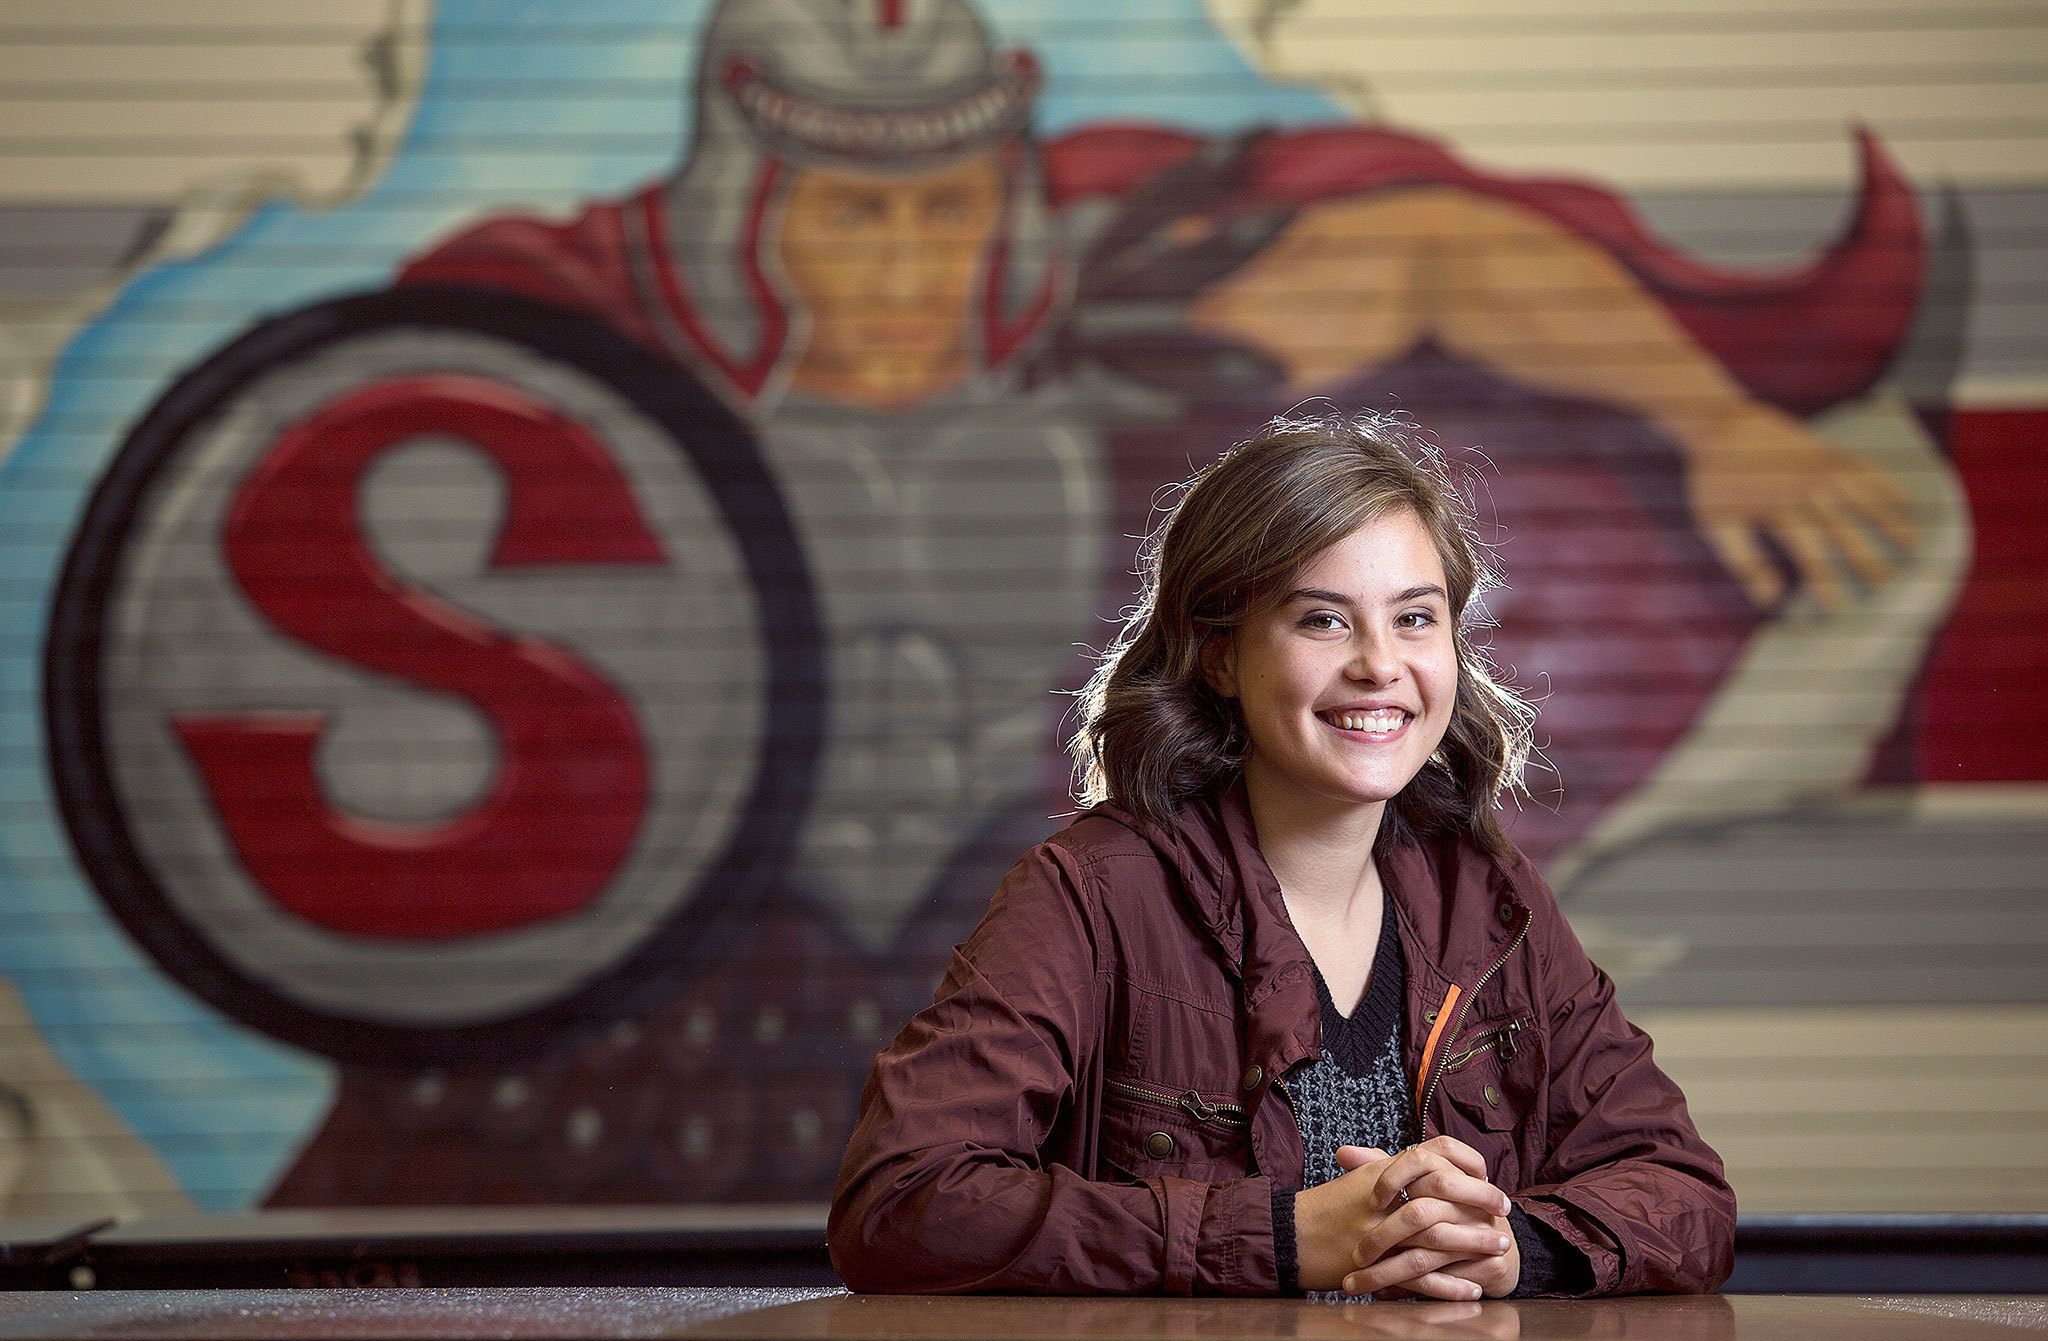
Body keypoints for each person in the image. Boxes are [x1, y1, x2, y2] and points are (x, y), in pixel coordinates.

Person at [829, 410, 1735, 1297]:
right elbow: (900, 1201)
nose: (1381, 665)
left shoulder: (1492, 903)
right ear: (1220, 656)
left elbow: (1685, 1190)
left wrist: (1511, 1250)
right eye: (1323, 621)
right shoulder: (1091, 897)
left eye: (1415, 619)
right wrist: (1279, 1238)